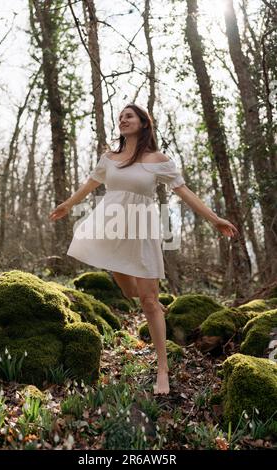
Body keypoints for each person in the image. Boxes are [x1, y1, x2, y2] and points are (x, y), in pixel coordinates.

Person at [49, 103, 239, 395]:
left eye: (129, 116)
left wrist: (214, 219)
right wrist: (67, 204)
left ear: (143, 122)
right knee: (128, 291)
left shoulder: (158, 159)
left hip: (143, 228)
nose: (123, 120)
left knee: (148, 300)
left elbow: (184, 191)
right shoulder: (109, 158)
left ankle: (162, 367)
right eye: (120, 117)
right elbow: (90, 185)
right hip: (111, 229)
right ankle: (153, 303)